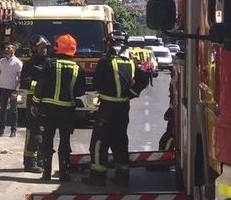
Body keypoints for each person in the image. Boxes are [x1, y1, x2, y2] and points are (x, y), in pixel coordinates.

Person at [83, 36, 150, 186]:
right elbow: (143, 79)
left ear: (110, 45)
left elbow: (96, 83)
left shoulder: (105, 62)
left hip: (107, 107)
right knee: (120, 141)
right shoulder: (131, 63)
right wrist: (130, 94)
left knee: (99, 142)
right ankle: (122, 177)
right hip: (123, 109)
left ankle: (98, 177)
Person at [32, 34, 85, 182]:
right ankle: (64, 174)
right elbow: (80, 92)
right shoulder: (77, 68)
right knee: (65, 141)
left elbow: (40, 86)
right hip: (67, 110)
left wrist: (35, 104)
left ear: (57, 47)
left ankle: (46, 173)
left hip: (48, 109)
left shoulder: (49, 64)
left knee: (47, 139)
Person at [18, 36, 49, 172]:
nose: (44, 50)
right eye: (41, 47)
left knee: (44, 132)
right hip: (33, 101)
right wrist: (41, 86)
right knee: (33, 132)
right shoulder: (30, 64)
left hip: (47, 101)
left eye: (45, 47)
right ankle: (29, 162)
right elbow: (25, 82)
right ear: (34, 49)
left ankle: (41, 161)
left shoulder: (49, 63)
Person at [0, 43, 23, 137]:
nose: (6, 49)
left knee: (13, 110)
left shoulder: (17, 62)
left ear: (13, 50)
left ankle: (13, 130)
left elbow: (19, 78)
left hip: (12, 90)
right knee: (2, 110)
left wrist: (16, 90)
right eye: (6, 47)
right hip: (3, 88)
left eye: (8, 48)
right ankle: (1, 129)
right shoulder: (2, 61)